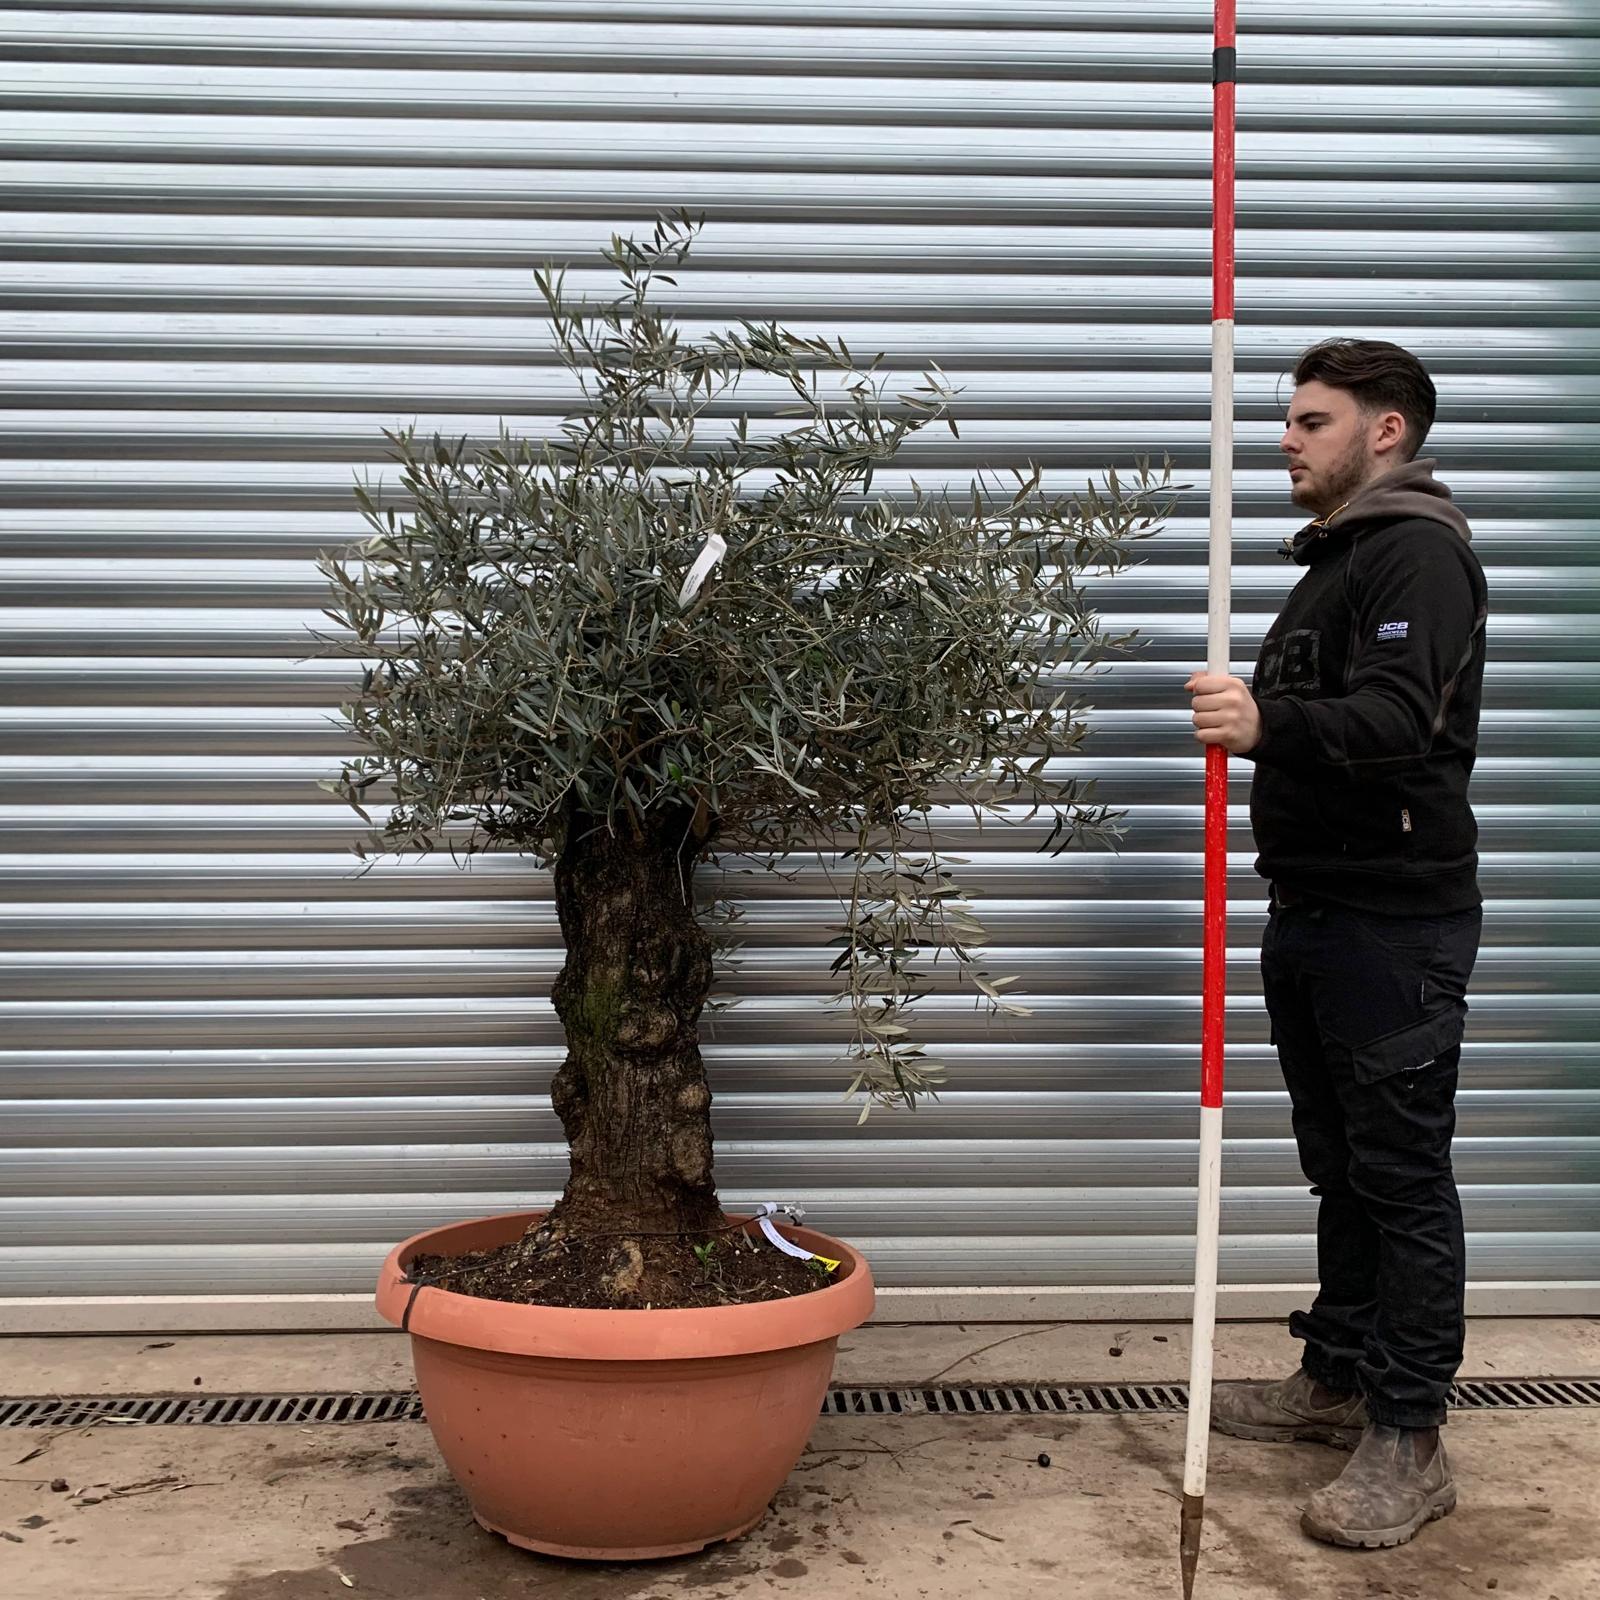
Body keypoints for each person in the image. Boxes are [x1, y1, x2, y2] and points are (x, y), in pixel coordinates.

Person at [1185, 338, 1489, 1550]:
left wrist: (1263, 721)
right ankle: (1340, 1375)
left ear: (1386, 431)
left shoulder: (1418, 551)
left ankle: (1408, 1435)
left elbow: (1397, 720)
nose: (1285, 439)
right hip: (1316, 908)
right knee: (1342, 1164)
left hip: (1390, 923)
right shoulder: (1339, 562)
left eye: (1311, 420)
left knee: (1402, 1176)